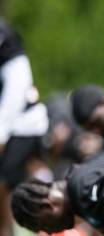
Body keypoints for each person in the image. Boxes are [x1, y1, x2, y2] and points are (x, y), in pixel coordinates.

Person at [0, 17, 51, 236]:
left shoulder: (11, 53)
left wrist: (1, 134)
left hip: (24, 124)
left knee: (3, 185)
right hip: (13, 125)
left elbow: (15, 94)